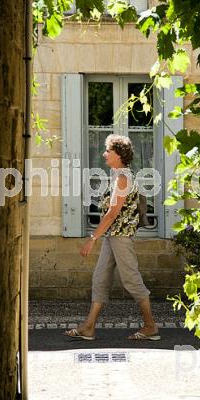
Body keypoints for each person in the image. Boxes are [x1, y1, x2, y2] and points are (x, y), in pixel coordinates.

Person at [64, 134, 160, 341]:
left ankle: (150, 326)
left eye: (108, 151)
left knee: (131, 280)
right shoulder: (119, 176)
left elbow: (112, 213)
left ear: (119, 155)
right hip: (112, 236)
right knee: (100, 278)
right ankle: (88, 327)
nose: (104, 154)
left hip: (121, 237)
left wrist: (92, 238)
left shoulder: (123, 178)